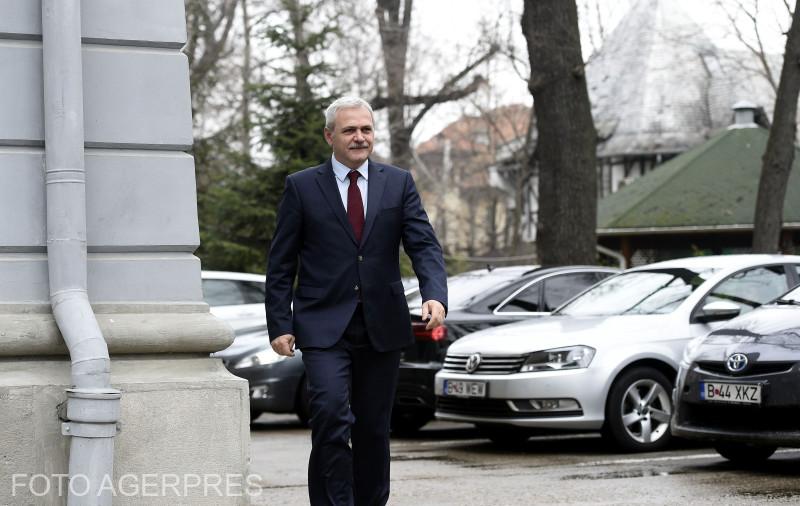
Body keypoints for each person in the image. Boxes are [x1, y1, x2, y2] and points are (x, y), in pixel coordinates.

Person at [265, 96, 448, 506]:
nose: (360, 137)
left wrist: (435, 294)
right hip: (322, 324)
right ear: (329, 136)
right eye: (349, 130)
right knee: (330, 415)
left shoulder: (398, 182)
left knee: (373, 428)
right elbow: (281, 262)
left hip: (382, 324)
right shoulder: (302, 186)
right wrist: (280, 323)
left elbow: (423, 244)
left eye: (366, 129)